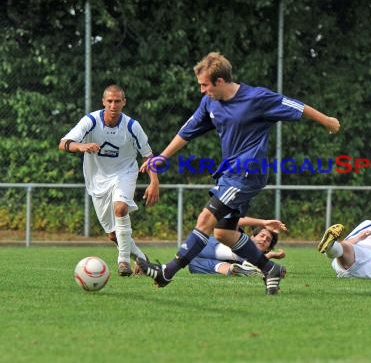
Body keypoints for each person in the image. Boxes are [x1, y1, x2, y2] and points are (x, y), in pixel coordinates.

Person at [137, 52, 340, 295]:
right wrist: (163, 157)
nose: (202, 90)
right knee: (223, 233)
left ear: (220, 81)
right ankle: (269, 268)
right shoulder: (210, 102)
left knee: (205, 220)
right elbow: (188, 130)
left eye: (205, 85)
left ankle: (167, 272)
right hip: (230, 174)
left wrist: (327, 120)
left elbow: (296, 105)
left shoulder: (256, 98)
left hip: (247, 172)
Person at [59, 84, 159, 276]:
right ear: (103, 102)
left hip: (125, 173)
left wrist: (154, 181)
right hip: (97, 180)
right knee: (113, 235)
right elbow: (63, 143)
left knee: (120, 208)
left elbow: (148, 156)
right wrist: (80, 146)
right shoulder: (91, 121)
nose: (113, 105)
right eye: (110, 101)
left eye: (118, 101)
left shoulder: (132, 126)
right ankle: (141, 259)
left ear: (124, 103)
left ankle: (123, 262)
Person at [189, 217, 286, 276]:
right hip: (207, 246)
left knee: (194, 258)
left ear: (268, 248)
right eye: (261, 236)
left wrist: (270, 255)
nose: (264, 239)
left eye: (268, 240)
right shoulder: (240, 236)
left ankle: (243, 268)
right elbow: (235, 221)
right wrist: (263, 222)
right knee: (193, 262)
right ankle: (244, 265)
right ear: (252, 237)